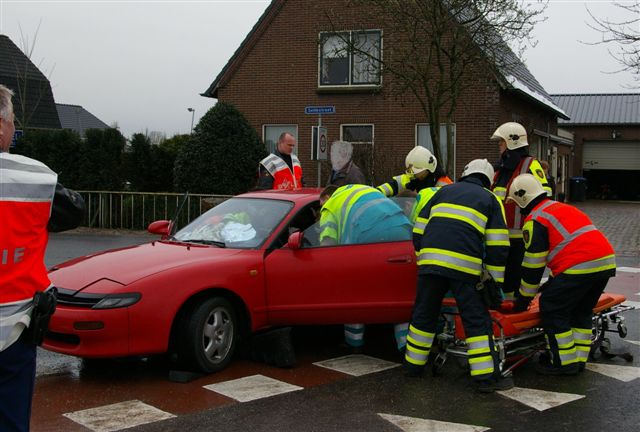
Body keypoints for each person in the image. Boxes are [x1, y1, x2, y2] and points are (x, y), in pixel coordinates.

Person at [0, 84, 85, 431]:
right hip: (13, 333)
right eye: (12, 122)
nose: (13, 129)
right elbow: (74, 210)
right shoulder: (33, 177)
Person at [404, 159, 512, 393]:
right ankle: (485, 378)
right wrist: (493, 283)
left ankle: (413, 366)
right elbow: (498, 246)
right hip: (464, 268)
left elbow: (418, 231)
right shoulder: (490, 199)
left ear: (465, 173)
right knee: (475, 319)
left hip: (430, 265)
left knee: (424, 314)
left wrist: (426, 259)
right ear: (488, 180)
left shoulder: (442, 192)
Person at [507, 173, 616, 375]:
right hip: (604, 263)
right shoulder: (561, 208)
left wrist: (523, 299)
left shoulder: (536, 219)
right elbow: (569, 245)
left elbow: (533, 267)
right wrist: (552, 282)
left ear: (522, 199)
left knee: (552, 308)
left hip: (579, 266)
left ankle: (563, 363)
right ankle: (578, 360)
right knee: (581, 311)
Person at [319, 184, 412, 353]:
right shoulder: (361, 190)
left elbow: (327, 243)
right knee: (397, 293)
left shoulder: (330, 204)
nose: (320, 210)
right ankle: (405, 346)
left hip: (369, 236)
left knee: (354, 292)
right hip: (402, 229)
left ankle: (354, 344)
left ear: (326, 197)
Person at [490, 122, 551, 300]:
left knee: (516, 276)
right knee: (503, 277)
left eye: (501, 142)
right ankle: (506, 305)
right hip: (500, 235)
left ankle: (516, 305)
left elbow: (545, 193)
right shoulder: (501, 169)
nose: (499, 145)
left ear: (512, 142)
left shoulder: (530, 164)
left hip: (521, 235)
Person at [377, 146, 452, 197]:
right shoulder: (413, 178)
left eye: (416, 173)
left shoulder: (445, 185)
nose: (414, 175)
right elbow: (394, 185)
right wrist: (377, 192)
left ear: (427, 169)